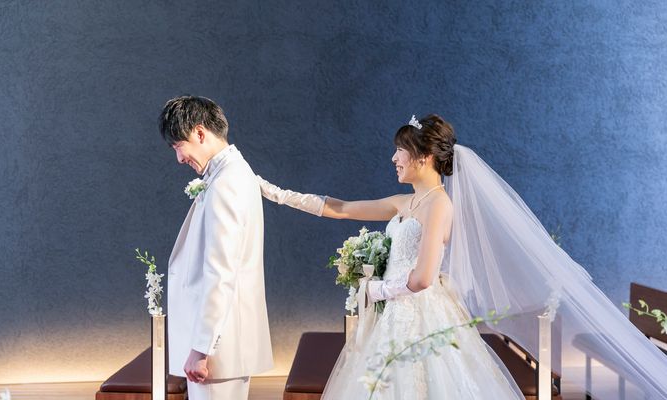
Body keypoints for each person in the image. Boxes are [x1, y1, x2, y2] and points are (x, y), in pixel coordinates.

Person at [258, 114, 667, 399]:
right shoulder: (406, 202)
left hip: (421, 315)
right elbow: (343, 209)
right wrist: (276, 193)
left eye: (399, 151)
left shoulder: (439, 206)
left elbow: (423, 279)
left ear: (424, 156)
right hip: (394, 316)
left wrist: (376, 289)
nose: (393, 158)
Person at [159, 96, 273, 400]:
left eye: (178, 146)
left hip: (216, 352)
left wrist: (200, 348)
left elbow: (220, 271)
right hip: (224, 346)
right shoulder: (234, 173)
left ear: (199, 133)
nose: (179, 158)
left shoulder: (226, 183)